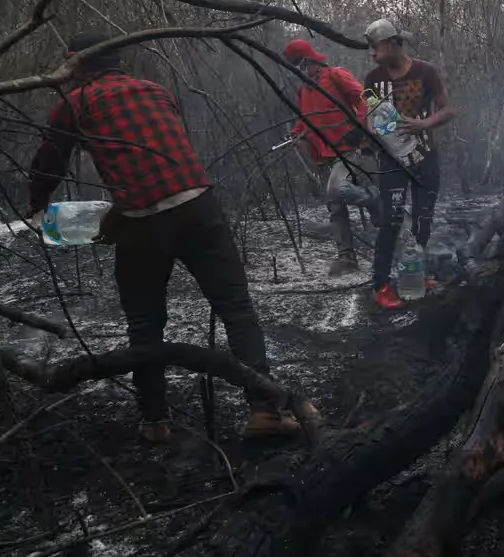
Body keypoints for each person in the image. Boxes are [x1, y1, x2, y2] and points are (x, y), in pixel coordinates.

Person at [26, 30, 313, 442]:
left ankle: (155, 421)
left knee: (145, 326)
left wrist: (37, 205)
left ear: (76, 62)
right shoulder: (155, 90)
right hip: (199, 205)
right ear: (118, 60)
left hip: (142, 220)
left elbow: (49, 163)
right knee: (236, 307)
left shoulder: (74, 104)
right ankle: (265, 409)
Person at [362, 19, 455, 310]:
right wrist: (369, 134)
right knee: (390, 221)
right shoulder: (372, 79)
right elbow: (369, 117)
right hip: (391, 162)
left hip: (425, 158)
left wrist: (423, 123)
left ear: (392, 43)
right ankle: (380, 285)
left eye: (375, 47)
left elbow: (449, 109)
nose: (372, 53)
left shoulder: (425, 72)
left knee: (423, 219)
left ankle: (413, 274)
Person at [283, 39, 375, 277]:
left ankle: (377, 201)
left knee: (336, 190)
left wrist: (359, 126)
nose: (299, 71)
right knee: (335, 205)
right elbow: (304, 119)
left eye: (300, 65)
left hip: (351, 149)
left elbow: (367, 99)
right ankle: (347, 258)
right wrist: (295, 134)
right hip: (326, 155)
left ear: (309, 61)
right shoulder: (304, 91)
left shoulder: (336, 75)